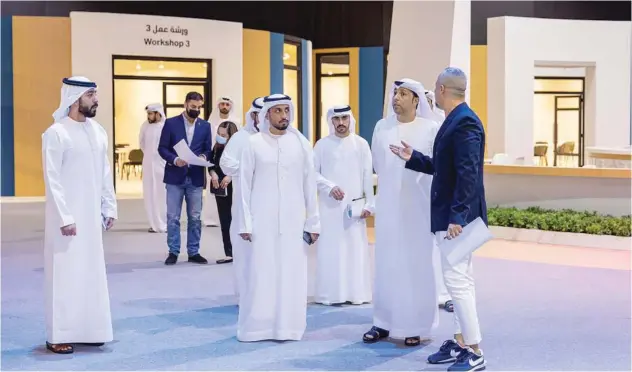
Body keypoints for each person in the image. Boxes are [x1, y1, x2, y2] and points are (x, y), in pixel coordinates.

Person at [390, 67, 487, 371]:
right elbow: (447, 169)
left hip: (457, 219)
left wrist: (457, 216)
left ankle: (474, 350)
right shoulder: (454, 121)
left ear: (443, 90)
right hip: (453, 216)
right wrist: (414, 158)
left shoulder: (465, 122)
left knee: (457, 282)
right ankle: (461, 342)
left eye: (435, 88)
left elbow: (469, 174)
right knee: (461, 282)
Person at [42, 76, 117, 354]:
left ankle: (90, 329)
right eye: (91, 95)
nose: (96, 99)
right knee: (64, 274)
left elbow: (104, 173)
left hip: (91, 216)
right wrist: (65, 217)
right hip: (66, 219)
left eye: (95, 94)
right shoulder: (56, 133)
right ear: (75, 99)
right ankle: (58, 335)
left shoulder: (98, 131)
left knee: (90, 271)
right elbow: (52, 179)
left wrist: (109, 206)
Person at [363, 78, 440, 347]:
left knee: (415, 264)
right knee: (386, 263)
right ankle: (382, 321)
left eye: (403, 94)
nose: (396, 98)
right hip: (388, 209)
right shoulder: (382, 127)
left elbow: (436, 166)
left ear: (416, 100)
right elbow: (377, 162)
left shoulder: (430, 128)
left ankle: (415, 325)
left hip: (417, 209)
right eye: (395, 93)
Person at [237, 94, 320, 342]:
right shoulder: (253, 144)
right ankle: (257, 328)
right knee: (261, 273)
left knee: (292, 273)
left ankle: (289, 328)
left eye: (287, 110)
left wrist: (313, 221)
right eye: (278, 111)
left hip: (294, 221)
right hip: (262, 219)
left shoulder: (301, 144)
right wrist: (245, 223)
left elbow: (310, 184)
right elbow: (244, 185)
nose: (284, 115)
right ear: (266, 115)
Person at [312, 105, 374, 306]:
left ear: (350, 120)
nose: (340, 123)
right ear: (331, 121)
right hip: (329, 207)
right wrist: (329, 187)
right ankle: (330, 294)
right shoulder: (321, 145)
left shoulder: (361, 144)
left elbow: (367, 176)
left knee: (355, 248)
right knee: (331, 248)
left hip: (354, 209)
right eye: (336, 119)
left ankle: (356, 293)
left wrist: (370, 204)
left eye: (344, 119)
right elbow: (311, 174)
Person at [158, 91, 212, 266]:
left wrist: (204, 156)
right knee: (173, 217)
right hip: (175, 176)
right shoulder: (171, 123)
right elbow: (162, 148)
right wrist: (174, 159)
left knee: (195, 217)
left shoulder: (205, 126)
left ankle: (193, 251)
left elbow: (208, 149)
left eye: (199, 107)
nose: (196, 110)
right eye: (193, 106)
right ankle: (173, 251)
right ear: (185, 104)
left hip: (195, 177)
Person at [219, 96, 264, 298]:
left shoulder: (282, 138)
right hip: (245, 204)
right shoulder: (241, 137)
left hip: (271, 206)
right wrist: (250, 171)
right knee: (245, 250)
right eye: (256, 114)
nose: (259, 118)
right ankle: (246, 295)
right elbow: (226, 163)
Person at [425, 92, 453, 312]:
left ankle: (445, 294)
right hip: (418, 196)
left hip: (437, 197)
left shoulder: (440, 126)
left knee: (443, 249)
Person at [203, 96, 238, 227]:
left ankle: (228, 217)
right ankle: (211, 219)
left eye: (227, 104)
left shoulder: (236, 122)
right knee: (213, 188)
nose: (224, 106)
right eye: (222, 104)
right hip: (214, 160)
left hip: (230, 160)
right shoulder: (210, 123)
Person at [209, 120, 239, 264]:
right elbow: (211, 163)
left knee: (237, 219)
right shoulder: (217, 147)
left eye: (223, 135)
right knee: (224, 219)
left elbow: (243, 165)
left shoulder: (238, 149)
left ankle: (240, 251)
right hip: (220, 187)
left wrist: (231, 175)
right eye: (218, 134)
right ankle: (229, 252)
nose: (220, 137)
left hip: (235, 187)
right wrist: (213, 173)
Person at [139, 103, 167, 233]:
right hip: (148, 165)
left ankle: (163, 222)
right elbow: (142, 143)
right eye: (148, 114)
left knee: (162, 194)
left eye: (151, 113)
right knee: (150, 193)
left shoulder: (165, 127)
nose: (149, 116)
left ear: (158, 114)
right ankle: (153, 222)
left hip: (162, 166)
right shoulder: (145, 126)